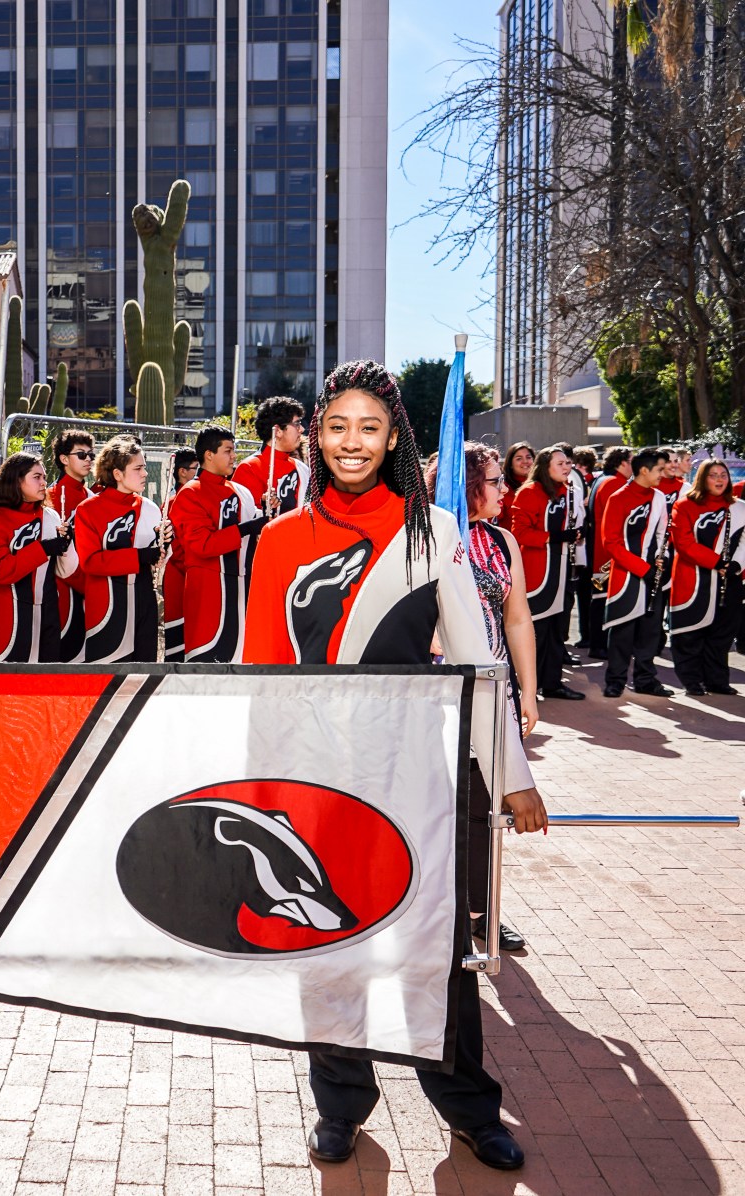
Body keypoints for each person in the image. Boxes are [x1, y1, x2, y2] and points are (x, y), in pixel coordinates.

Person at [242, 360, 546, 1174]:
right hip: (316, 781)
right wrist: (258, 794)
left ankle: (469, 1106)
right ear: (317, 435)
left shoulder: (435, 533)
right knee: (328, 942)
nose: (352, 442)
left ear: (393, 438)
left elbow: (480, 667)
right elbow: (261, 675)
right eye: (337, 426)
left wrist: (513, 775)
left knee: (435, 948)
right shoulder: (279, 539)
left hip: (413, 778)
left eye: (369, 428)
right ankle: (340, 1104)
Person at [426, 442, 539, 953]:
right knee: (439, 806)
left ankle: (479, 912)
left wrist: (528, 691)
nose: (504, 489)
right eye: (495, 481)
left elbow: (517, 617)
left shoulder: (501, 540)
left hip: (495, 692)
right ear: (467, 483)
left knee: (486, 806)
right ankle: (437, 912)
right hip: (437, 694)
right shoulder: (426, 535)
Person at [168, 426, 265, 662]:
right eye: (228, 450)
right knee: (206, 659)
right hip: (208, 589)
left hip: (241, 585)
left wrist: (265, 511)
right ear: (209, 455)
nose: (234, 456)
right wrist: (245, 529)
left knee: (240, 657)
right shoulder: (190, 493)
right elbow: (201, 545)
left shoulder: (239, 491)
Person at [0, 453, 78, 662]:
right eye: (36, 477)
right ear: (16, 480)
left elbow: (65, 570)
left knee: (45, 679)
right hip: (8, 619)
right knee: (6, 680)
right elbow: (0, 571)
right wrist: (43, 548)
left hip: (48, 617)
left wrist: (68, 545)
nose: (44, 483)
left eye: (44, 477)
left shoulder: (51, 516)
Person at [76, 435, 163, 663]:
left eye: (144, 467)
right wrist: (139, 556)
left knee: (143, 671)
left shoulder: (150, 508)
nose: (145, 473)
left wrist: (165, 544)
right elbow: (90, 562)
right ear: (117, 474)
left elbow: (159, 559)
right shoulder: (88, 509)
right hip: (107, 603)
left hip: (144, 598)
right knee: (107, 673)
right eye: (138, 468)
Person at [508, 446, 583, 700]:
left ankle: (552, 683)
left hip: (561, 571)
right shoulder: (529, 492)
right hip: (537, 572)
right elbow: (520, 533)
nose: (566, 467)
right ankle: (526, 687)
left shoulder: (566, 491)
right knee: (536, 632)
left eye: (568, 463)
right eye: (560, 463)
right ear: (545, 466)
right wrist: (554, 537)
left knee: (556, 631)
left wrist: (575, 534)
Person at [601, 448, 671, 698]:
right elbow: (610, 542)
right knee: (622, 631)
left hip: (653, 575)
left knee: (650, 631)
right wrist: (643, 568)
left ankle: (645, 680)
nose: (663, 473)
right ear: (644, 470)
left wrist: (662, 559)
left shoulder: (659, 497)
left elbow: (663, 534)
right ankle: (615, 681)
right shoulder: (618, 497)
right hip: (625, 576)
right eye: (659, 469)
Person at [669, 459, 741, 696]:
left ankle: (717, 680)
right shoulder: (684, 505)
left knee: (722, 632)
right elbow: (683, 542)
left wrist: (736, 565)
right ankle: (692, 680)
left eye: (723, 475)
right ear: (702, 478)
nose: (720, 480)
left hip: (729, 578)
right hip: (693, 577)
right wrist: (716, 562)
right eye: (713, 475)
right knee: (690, 632)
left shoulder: (739, 507)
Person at [48, 430, 96, 661]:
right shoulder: (50, 497)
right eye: (81, 454)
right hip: (61, 588)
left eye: (91, 455)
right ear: (64, 459)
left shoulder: (92, 496)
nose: (88, 459)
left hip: (90, 582)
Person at [587, 448, 633, 660]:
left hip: (600, 549)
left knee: (600, 598)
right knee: (602, 599)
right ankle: (599, 645)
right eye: (631, 461)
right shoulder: (614, 483)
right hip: (607, 553)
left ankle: (597, 643)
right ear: (621, 463)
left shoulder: (603, 480)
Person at [234, 395, 310, 517]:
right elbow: (246, 518)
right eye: (296, 423)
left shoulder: (301, 468)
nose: (301, 429)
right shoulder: (249, 468)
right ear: (278, 431)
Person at [160, 448, 200, 657]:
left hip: (195, 572)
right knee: (177, 631)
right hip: (178, 572)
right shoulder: (170, 503)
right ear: (182, 472)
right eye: (196, 469)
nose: (199, 474)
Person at [569, 447, 600, 649]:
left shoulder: (583, 483)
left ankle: (585, 635)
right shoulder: (596, 481)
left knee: (582, 595)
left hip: (582, 546)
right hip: (590, 546)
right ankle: (588, 635)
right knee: (588, 594)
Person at [499, 440, 534, 525]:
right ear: (510, 464)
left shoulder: (541, 486)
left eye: (528, 457)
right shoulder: (503, 489)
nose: (525, 461)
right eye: (519, 459)